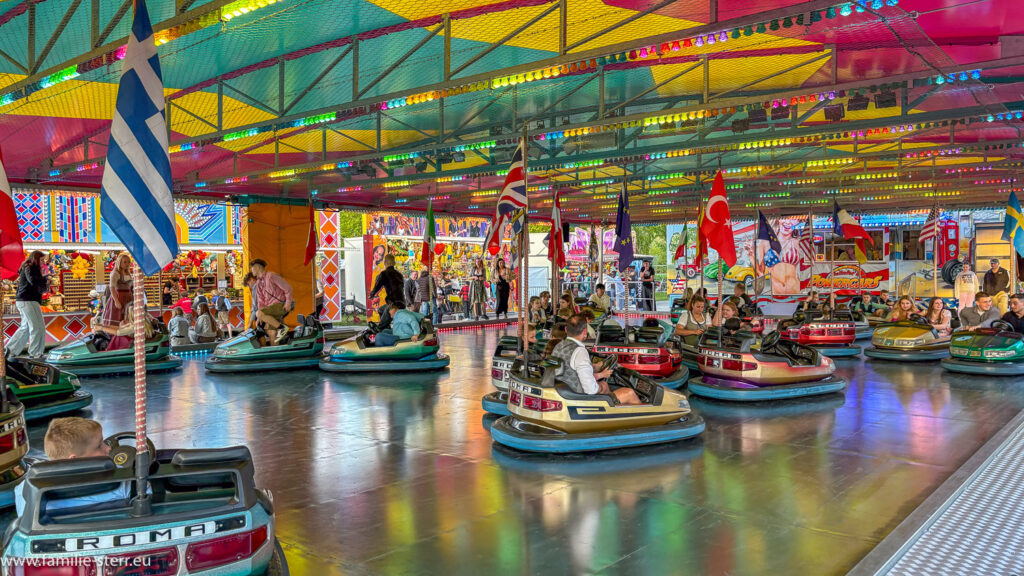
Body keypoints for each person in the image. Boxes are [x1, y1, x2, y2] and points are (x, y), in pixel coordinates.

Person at [15, 418, 132, 517]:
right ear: (75, 460)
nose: (108, 448)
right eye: (99, 446)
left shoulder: (24, 489)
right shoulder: (122, 483)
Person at [550, 315, 641, 405]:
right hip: (578, 398)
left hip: (565, 391)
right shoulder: (580, 351)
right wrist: (599, 386)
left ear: (566, 330)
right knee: (629, 393)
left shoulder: (559, 346)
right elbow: (591, 390)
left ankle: (611, 414)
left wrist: (596, 369)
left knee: (604, 385)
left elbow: (571, 367)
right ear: (585, 331)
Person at [7, 251, 48, 360]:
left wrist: (44, 279)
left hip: (25, 300)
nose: (44, 262)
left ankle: (10, 351)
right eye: (42, 260)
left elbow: (39, 286)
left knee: (25, 328)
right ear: (36, 259)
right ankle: (35, 353)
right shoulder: (31, 268)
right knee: (37, 327)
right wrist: (45, 278)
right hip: (28, 300)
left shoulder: (28, 267)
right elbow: (34, 282)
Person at [251, 259, 294, 345]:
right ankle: (274, 352)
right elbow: (261, 301)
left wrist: (288, 302)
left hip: (280, 304)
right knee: (272, 333)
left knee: (258, 313)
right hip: (271, 308)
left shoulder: (271, 276)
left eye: (252, 268)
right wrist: (260, 316)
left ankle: (282, 328)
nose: (251, 271)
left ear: (258, 267)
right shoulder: (259, 282)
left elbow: (288, 288)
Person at [370, 254, 405, 330]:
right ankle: (387, 328)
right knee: (380, 310)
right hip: (402, 303)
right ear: (394, 263)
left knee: (380, 326)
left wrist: (372, 294)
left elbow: (377, 286)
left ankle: (382, 330)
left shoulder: (384, 274)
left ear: (385, 263)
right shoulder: (399, 275)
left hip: (393, 304)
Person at [100, 253, 132, 332]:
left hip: (128, 297)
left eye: (128, 262)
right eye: (125, 262)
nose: (127, 264)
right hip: (119, 296)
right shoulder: (115, 273)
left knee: (128, 316)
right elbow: (112, 287)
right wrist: (116, 301)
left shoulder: (128, 273)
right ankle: (115, 334)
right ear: (119, 262)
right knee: (117, 316)